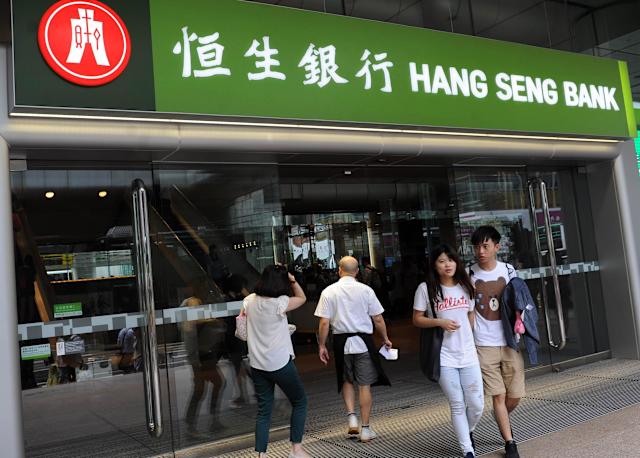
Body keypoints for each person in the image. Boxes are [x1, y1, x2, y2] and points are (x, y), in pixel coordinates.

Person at [413, 244, 483, 458]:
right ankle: (467, 450)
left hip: (468, 353)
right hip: (443, 356)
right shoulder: (426, 288)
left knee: (477, 404)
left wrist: (469, 335)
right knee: (457, 403)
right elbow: (417, 319)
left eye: (450, 260)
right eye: (442, 261)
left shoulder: (466, 285)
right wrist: (439, 322)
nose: (447, 265)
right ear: (435, 265)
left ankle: (467, 431)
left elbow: (470, 313)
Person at [315, 256, 392, 443]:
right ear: (357, 271)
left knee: (347, 381)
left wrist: (322, 345)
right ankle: (365, 429)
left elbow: (324, 322)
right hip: (363, 343)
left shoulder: (328, 292)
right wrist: (385, 338)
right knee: (364, 385)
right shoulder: (366, 290)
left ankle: (351, 418)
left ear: (339, 271)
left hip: (341, 344)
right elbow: (378, 319)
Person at [242, 265, 311, 458]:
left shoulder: (248, 301)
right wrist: (293, 281)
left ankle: (261, 455)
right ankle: (296, 450)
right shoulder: (280, 303)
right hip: (280, 363)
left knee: (264, 410)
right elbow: (302, 298)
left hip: (257, 364)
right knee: (300, 401)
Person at [469, 226, 522, 458]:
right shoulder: (469, 274)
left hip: (509, 342)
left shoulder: (508, 270)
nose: (480, 251)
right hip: (483, 344)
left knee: (515, 395)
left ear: (496, 247)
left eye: (485, 246)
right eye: (477, 247)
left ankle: (500, 415)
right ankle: (510, 443)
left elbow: (519, 300)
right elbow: (468, 310)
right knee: (498, 395)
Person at [181, 279, 227, 435]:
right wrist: (213, 321)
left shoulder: (192, 303)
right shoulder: (193, 302)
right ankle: (195, 423)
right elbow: (192, 327)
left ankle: (202, 421)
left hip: (201, 353)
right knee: (203, 387)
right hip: (201, 354)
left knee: (210, 385)